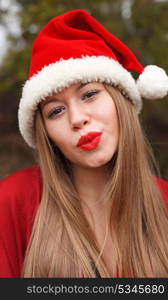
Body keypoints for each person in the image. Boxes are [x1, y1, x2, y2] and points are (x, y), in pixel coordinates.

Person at [0, 9, 168, 278]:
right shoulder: (10, 202)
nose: (77, 119)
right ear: (47, 135)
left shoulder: (165, 201)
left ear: (121, 100)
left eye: (89, 95)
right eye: (56, 111)